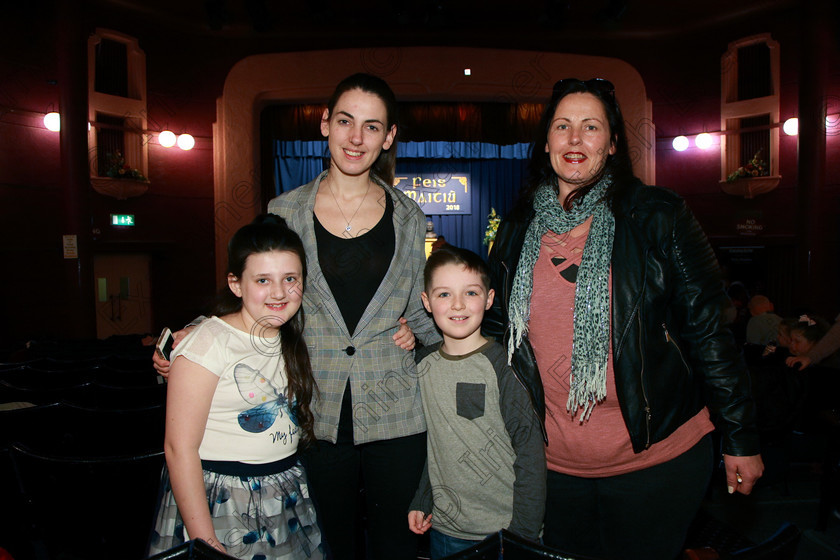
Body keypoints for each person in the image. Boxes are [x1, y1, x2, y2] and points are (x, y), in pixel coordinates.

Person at [155, 74, 438, 560]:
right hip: (313, 408)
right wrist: (200, 330)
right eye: (345, 121)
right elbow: (262, 293)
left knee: (398, 547)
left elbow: (420, 308)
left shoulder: (410, 216)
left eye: (372, 127)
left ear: (389, 137)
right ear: (325, 124)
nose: (356, 138)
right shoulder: (284, 210)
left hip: (396, 409)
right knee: (328, 545)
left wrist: (426, 331)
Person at [484, 77, 763, 560]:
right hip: (551, 468)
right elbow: (494, 330)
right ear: (546, 141)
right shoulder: (515, 227)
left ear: (612, 144)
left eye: (590, 127)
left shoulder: (659, 215)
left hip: (657, 463)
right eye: (562, 126)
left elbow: (708, 330)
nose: (574, 139)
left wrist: (741, 435)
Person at [148, 214, 323, 559]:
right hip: (222, 499)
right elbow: (178, 449)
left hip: (284, 490)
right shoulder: (207, 343)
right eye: (262, 280)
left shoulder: (293, 334)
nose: (278, 292)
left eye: (291, 278)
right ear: (236, 284)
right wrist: (205, 542)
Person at [407, 246, 546, 558]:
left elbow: (530, 452)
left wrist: (522, 535)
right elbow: (438, 445)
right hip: (445, 530)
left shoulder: (505, 367)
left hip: (504, 532)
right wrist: (422, 499)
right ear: (427, 302)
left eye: (470, 292)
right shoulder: (421, 365)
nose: (458, 304)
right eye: (444, 294)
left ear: (489, 298)